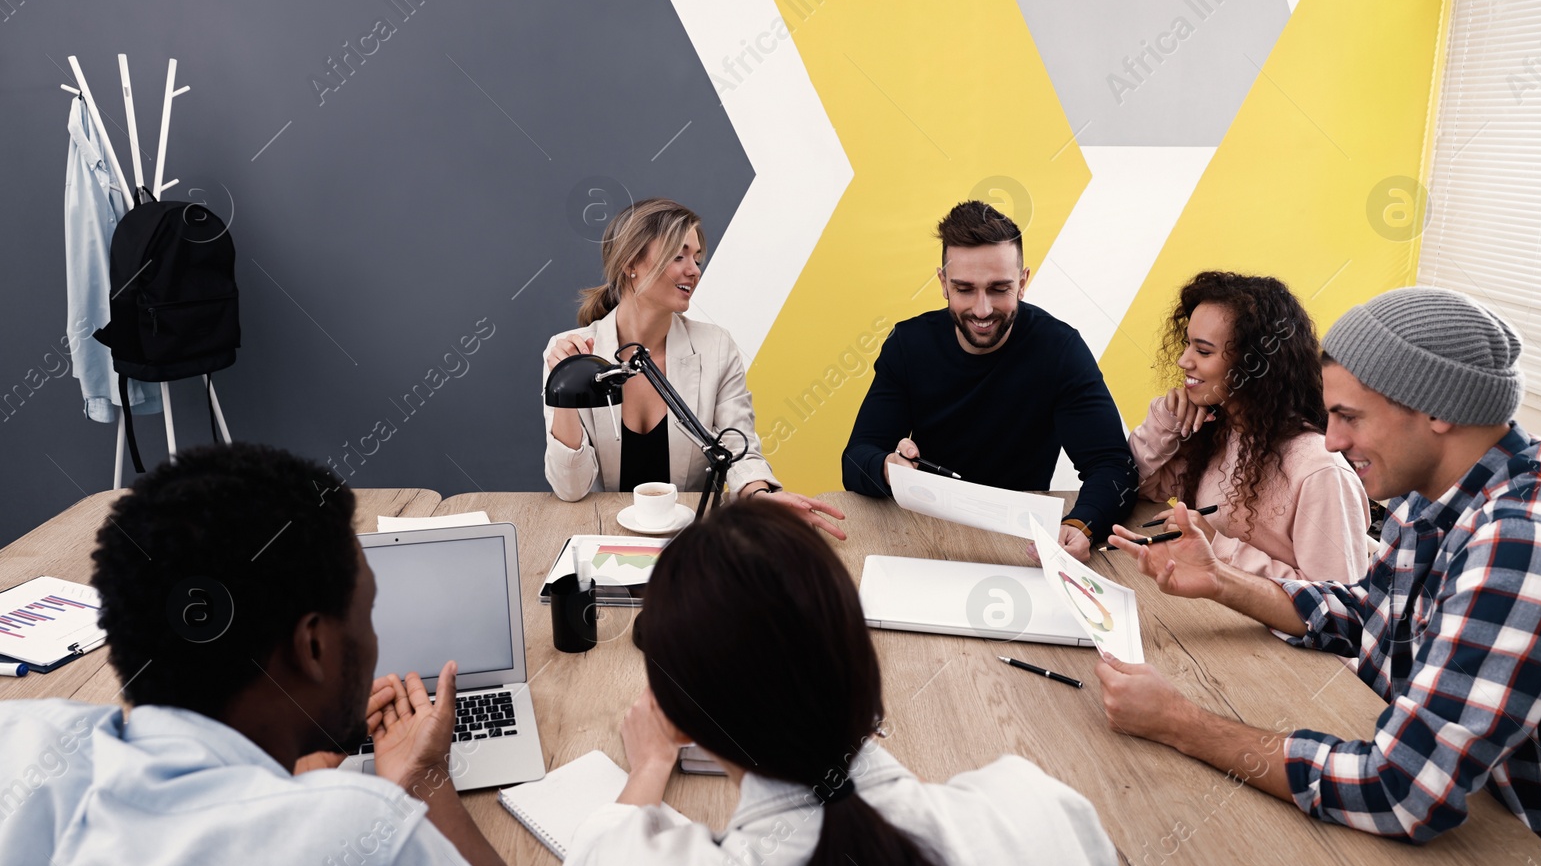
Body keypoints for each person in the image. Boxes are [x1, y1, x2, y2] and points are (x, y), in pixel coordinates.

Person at [1100, 287, 1541, 866]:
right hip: (1470, 817)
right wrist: (1220, 581)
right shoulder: (1436, 496)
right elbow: (1367, 615)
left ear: (1437, 410)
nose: (1332, 441)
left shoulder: (1531, 543)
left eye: (1349, 417)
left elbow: (1402, 790)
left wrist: (1179, 723)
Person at [0, 445, 537, 866]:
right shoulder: (357, 838)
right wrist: (424, 779)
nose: (376, 640)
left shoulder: (20, 737)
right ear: (312, 647)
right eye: (368, 614)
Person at [553, 502, 1128, 866]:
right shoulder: (1038, 814)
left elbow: (598, 860)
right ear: (861, 654)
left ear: (679, 721)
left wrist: (651, 763)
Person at [841, 200, 1137, 559]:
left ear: (1023, 282)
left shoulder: (1059, 349)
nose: (982, 310)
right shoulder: (908, 344)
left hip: (1021, 541)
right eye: (965, 289)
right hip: (928, 533)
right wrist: (888, 468)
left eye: (999, 288)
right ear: (943, 283)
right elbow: (856, 459)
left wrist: (1080, 524)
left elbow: (1113, 465)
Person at [543, 197, 845, 538]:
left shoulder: (715, 347)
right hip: (608, 535)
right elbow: (570, 488)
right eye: (679, 255)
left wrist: (760, 495)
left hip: (692, 539)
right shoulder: (572, 353)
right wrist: (563, 385)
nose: (694, 270)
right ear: (631, 263)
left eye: (697, 258)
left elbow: (737, 445)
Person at [1128, 271, 1369, 581]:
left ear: (1254, 364)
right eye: (1187, 345)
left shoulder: (1319, 468)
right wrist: (1167, 419)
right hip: (1208, 615)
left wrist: (1216, 546)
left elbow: (1337, 602)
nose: (1183, 361)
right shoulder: (1222, 432)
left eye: (1203, 351)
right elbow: (1138, 485)